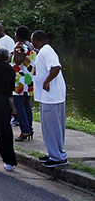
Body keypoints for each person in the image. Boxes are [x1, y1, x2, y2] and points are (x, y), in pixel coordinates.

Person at [31, 30, 68, 167]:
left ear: (35, 40)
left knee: (51, 127)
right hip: (52, 96)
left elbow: (56, 67)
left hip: (51, 97)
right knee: (53, 127)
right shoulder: (46, 51)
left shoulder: (46, 51)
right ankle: (55, 153)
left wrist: (46, 82)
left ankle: (57, 157)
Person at [11, 26, 35, 142]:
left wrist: (15, 50)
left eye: (15, 34)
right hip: (29, 79)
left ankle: (24, 130)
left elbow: (18, 61)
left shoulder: (20, 46)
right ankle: (29, 128)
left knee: (18, 105)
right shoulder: (30, 45)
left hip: (20, 80)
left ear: (18, 36)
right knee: (26, 105)